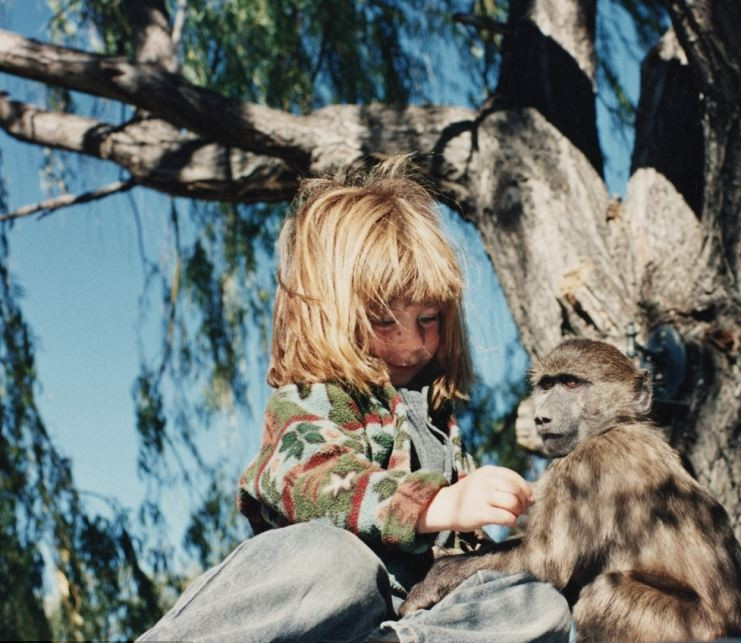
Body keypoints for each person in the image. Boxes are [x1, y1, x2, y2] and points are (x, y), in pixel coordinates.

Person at [138, 156, 572, 643]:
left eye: (428, 319)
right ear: (329, 314)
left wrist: (513, 527)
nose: (412, 343)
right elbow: (304, 481)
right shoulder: (313, 397)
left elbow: (460, 557)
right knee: (336, 563)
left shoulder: (437, 423)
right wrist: (436, 505)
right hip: (315, 615)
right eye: (385, 322)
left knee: (534, 601)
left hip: (395, 619)